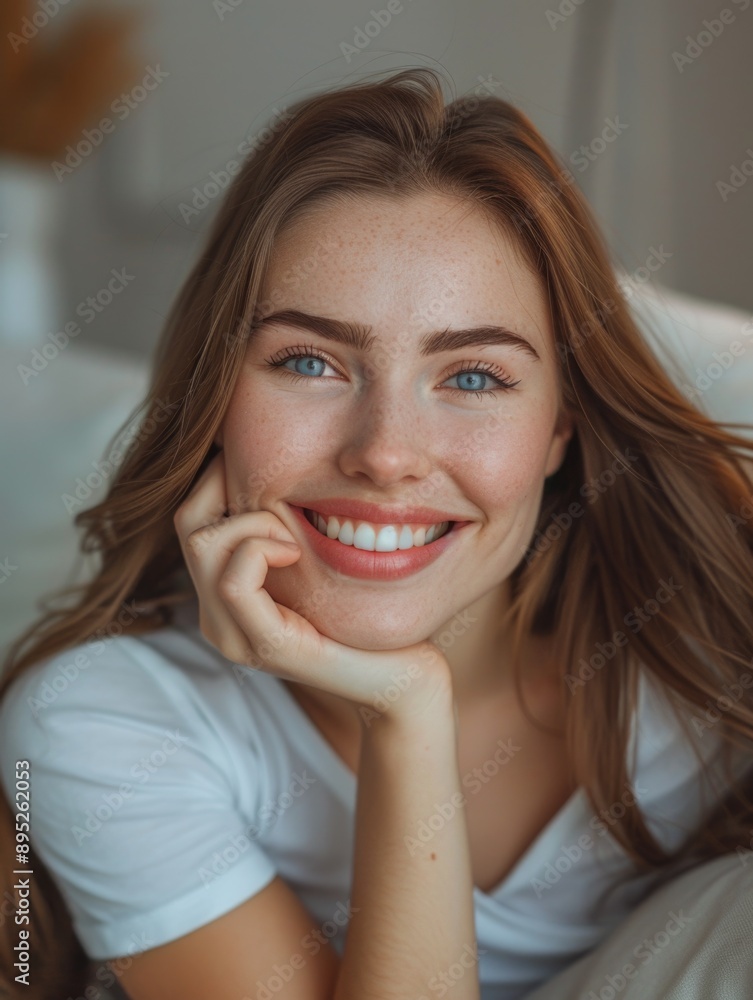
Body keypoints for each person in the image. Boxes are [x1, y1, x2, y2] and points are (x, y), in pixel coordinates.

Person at [1, 67, 753, 1000]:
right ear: (214, 398)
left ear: (563, 424)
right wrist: (403, 709)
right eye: (310, 361)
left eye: (474, 377)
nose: (386, 455)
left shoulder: (709, 657)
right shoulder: (103, 720)